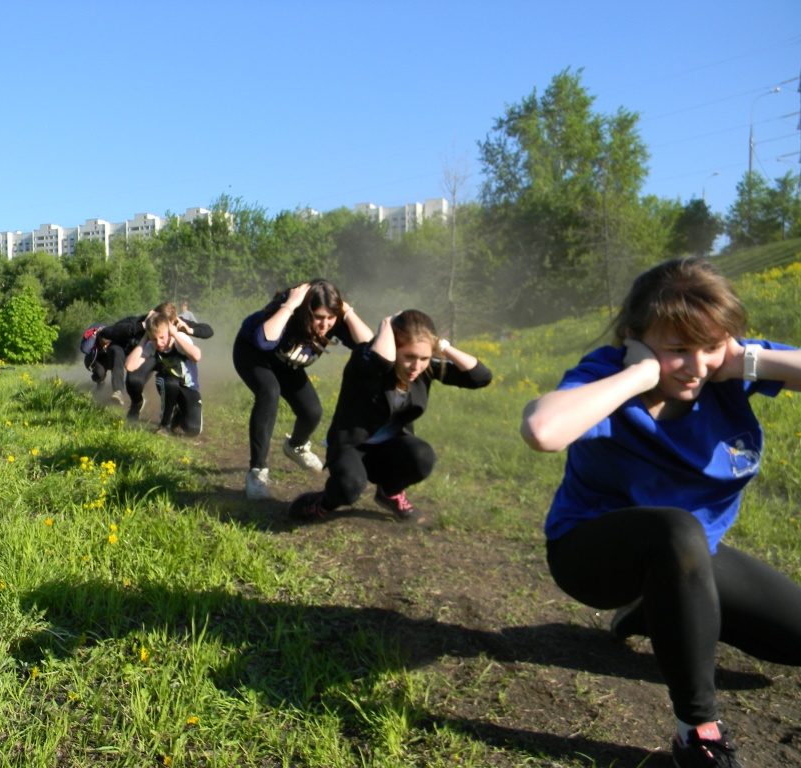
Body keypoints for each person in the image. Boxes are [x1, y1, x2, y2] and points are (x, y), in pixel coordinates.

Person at [520, 257, 801, 768]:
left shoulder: (729, 370)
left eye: (711, 347)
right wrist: (640, 374)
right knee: (677, 528)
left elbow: (725, 360)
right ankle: (697, 731)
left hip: (690, 557)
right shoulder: (609, 374)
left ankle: (653, 610)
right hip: (589, 556)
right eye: (677, 351)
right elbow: (543, 431)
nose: (697, 367)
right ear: (634, 336)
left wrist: (747, 361)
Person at [288, 309, 492, 521]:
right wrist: (387, 324)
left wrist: (442, 346)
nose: (416, 366)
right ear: (394, 347)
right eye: (410, 357)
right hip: (351, 446)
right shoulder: (364, 360)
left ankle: (390, 492)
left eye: (424, 358)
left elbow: (480, 377)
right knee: (349, 487)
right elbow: (381, 362)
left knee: (422, 457)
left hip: (388, 449)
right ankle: (323, 503)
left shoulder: (425, 369)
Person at [233, 279, 373, 500]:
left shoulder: (334, 320)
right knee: (269, 392)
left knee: (312, 411)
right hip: (252, 355)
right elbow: (263, 341)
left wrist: (346, 311)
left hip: (287, 364)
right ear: (306, 311)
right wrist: (289, 305)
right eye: (318, 317)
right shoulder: (290, 311)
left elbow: (369, 347)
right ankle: (257, 472)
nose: (325, 324)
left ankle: (295, 446)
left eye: (330, 317)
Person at [85, 303, 212, 416]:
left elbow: (208, 330)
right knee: (133, 379)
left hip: (171, 361)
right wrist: (142, 326)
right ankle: (137, 402)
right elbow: (107, 332)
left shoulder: (176, 322)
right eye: (155, 322)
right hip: (150, 356)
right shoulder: (145, 321)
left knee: (173, 380)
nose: (157, 327)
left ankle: (177, 407)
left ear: (171, 323)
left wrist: (190, 330)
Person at [126, 312, 203, 436]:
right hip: (168, 384)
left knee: (193, 429)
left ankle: (178, 413)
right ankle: (164, 425)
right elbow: (130, 366)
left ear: (169, 332)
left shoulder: (180, 339)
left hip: (189, 387)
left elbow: (196, 356)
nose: (159, 343)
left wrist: (175, 334)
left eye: (162, 337)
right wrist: (145, 339)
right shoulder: (151, 345)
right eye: (154, 339)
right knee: (168, 381)